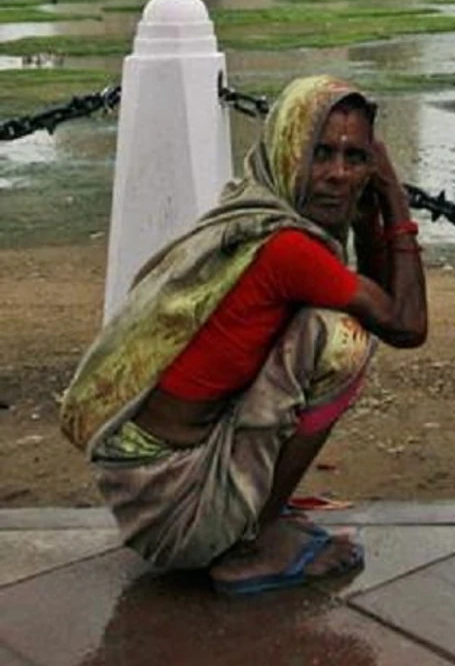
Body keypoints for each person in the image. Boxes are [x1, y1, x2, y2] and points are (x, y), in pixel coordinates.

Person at [60, 75, 427, 595]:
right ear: (286, 150)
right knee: (342, 340)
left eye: (355, 158)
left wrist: (369, 211)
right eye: (320, 153)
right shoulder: (288, 250)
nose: (338, 174)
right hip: (175, 511)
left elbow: (379, 294)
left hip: (147, 492)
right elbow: (406, 326)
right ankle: (250, 544)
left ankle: (248, 514)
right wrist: (395, 200)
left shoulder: (251, 213)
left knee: (316, 327)